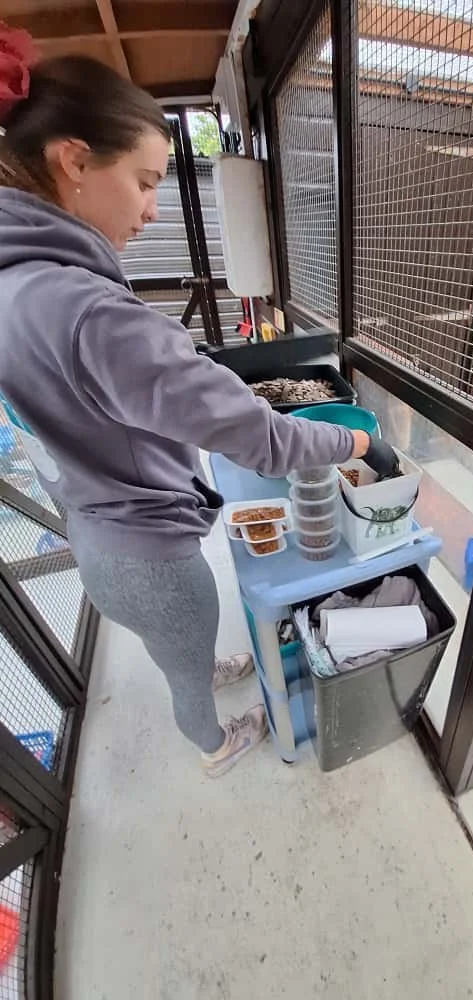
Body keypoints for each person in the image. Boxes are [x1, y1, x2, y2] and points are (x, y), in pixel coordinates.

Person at [0, 32, 399, 778]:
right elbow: (264, 439)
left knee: (175, 644)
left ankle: (198, 667)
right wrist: (355, 445)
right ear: (74, 161)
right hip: (148, 553)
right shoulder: (88, 311)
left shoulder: (14, 284)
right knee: (184, 659)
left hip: (94, 534)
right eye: (146, 181)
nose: (153, 210)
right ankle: (217, 744)